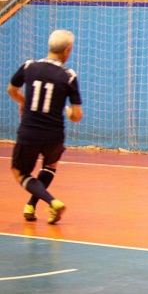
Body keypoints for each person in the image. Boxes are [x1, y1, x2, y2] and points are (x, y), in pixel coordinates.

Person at [8, 29, 83, 224]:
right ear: (67, 50)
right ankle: (31, 205)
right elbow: (76, 116)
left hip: (30, 132)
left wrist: (23, 101)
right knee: (50, 165)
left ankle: (52, 201)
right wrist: (69, 112)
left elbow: (12, 90)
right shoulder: (69, 76)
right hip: (54, 135)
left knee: (19, 172)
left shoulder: (29, 66)